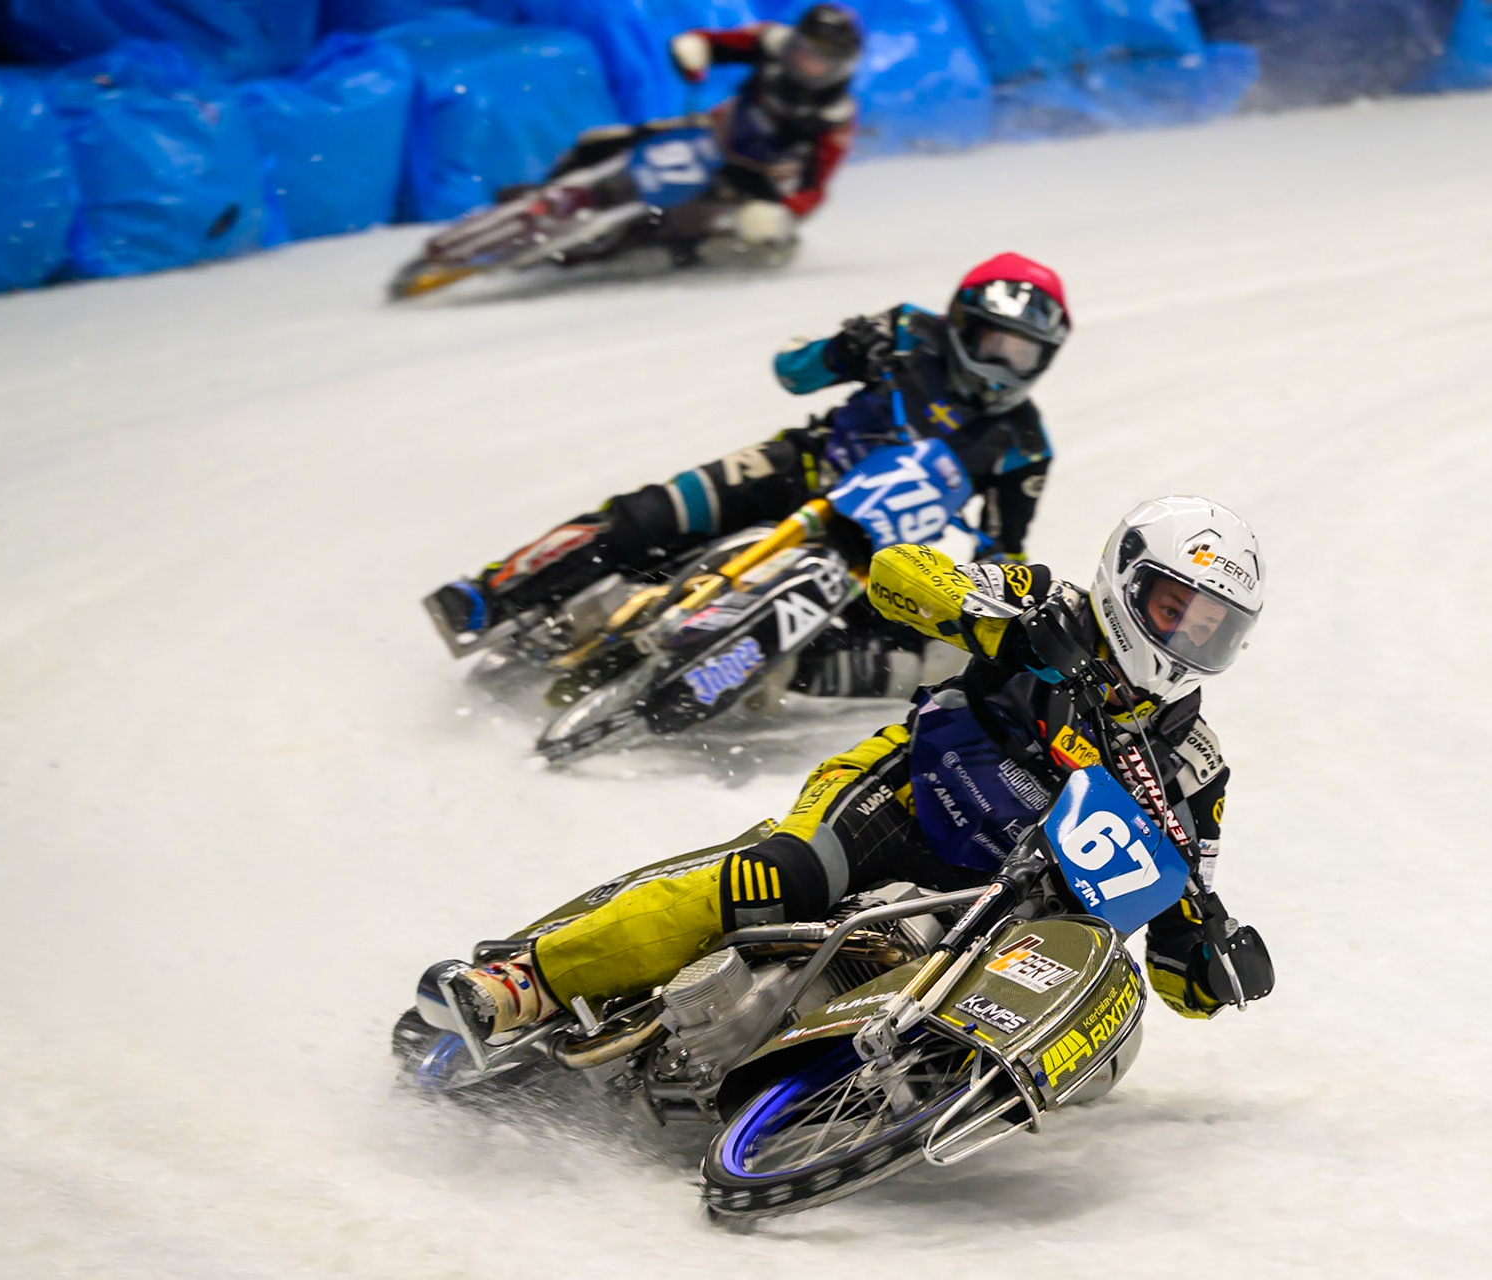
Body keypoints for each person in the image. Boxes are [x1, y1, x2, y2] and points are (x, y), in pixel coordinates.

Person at [416, 496, 1275, 1043]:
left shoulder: (1194, 766)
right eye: (1175, 609)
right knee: (774, 877)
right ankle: (524, 982)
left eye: (1211, 629)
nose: (1185, 639)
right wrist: (1002, 627)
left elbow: (1177, 926)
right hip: (905, 790)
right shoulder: (1044, 598)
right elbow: (899, 578)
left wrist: (1205, 964)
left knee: (1073, 1009)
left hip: (1002, 902)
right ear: (1126, 579)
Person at [427, 251, 1072, 699]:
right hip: (801, 466)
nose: (1005, 366)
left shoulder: (1025, 445)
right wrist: (844, 349)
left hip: (874, 545)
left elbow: (1005, 547)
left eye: (1025, 354)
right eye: (996, 344)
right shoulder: (906, 331)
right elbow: (792, 372)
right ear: (961, 322)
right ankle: (492, 595)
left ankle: (765, 680)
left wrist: (979, 591)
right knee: (652, 515)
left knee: (922, 654)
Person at [523, 4, 863, 267]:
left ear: (840, 67)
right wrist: (695, 51)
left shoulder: (836, 119)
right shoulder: (769, 43)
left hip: (753, 177)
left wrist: (784, 211)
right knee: (601, 142)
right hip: (708, 134)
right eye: (804, 51)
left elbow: (813, 187)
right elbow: (715, 44)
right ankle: (539, 200)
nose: (808, 64)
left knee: (724, 232)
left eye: (821, 60)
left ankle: (642, 253)